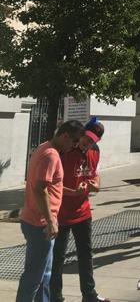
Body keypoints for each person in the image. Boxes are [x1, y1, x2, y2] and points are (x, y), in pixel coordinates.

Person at [16, 120, 85, 302]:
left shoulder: (45, 148)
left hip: (38, 221)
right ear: (65, 136)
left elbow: (52, 185)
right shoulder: (51, 155)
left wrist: (73, 192)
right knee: (34, 276)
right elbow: (40, 188)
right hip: (40, 223)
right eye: (75, 141)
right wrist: (50, 220)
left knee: (45, 274)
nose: (75, 146)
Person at [50, 119, 110, 302]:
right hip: (60, 213)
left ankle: (89, 294)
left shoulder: (94, 152)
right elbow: (52, 184)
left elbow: (96, 174)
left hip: (83, 212)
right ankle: (55, 296)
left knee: (85, 255)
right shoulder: (65, 150)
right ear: (81, 134)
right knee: (57, 258)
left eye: (93, 141)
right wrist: (73, 192)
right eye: (86, 138)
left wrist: (96, 185)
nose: (87, 143)